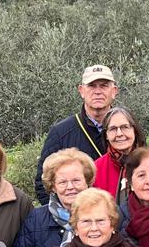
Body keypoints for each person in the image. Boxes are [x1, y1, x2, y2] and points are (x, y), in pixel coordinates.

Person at [35, 63, 118, 195]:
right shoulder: (61, 132)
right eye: (91, 86)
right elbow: (43, 183)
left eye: (104, 85)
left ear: (114, 91)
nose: (98, 91)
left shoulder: (128, 130)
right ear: (81, 91)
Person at [12, 148, 94, 247]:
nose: (70, 187)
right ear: (53, 186)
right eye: (62, 182)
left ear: (87, 182)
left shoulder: (104, 213)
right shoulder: (37, 219)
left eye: (76, 180)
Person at [93, 105, 145, 196]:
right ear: (106, 135)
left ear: (135, 131)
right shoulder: (96, 170)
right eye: (113, 129)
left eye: (125, 127)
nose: (119, 134)